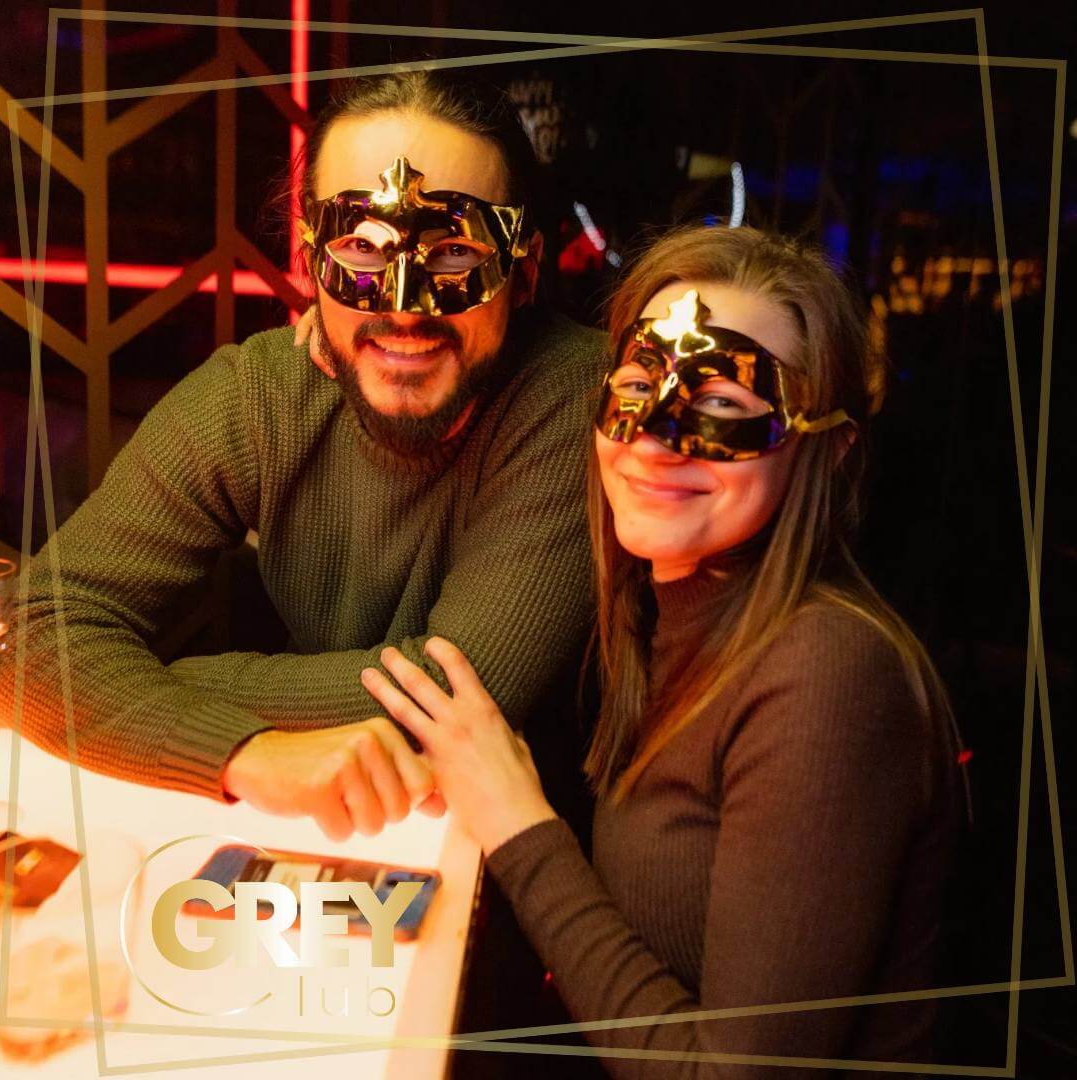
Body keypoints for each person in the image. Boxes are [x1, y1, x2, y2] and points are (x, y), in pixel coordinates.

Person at [360, 224, 966, 1075]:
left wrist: (516, 821)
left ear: (828, 449)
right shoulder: (659, 610)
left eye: (721, 404)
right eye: (639, 383)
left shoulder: (828, 674)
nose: (652, 436)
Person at [0, 70, 606, 841]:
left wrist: (155, 691)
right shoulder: (259, 392)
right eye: (361, 246)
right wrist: (246, 754)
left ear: (523, 272)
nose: (403, 307)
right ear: (313, 259)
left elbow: (457, 700)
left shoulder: (578, 394)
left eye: (454, 252)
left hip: (512, 857)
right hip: (313, 832)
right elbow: (34, 637)